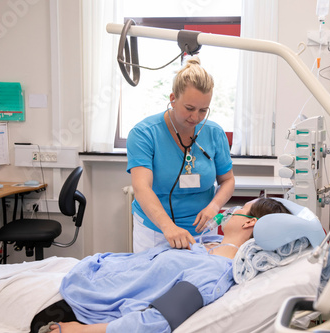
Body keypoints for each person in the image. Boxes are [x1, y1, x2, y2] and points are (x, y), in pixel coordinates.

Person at [30, 198, 291, 333]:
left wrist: (80, 331)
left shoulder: (213, 273)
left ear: (249, 223)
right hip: (88, 273)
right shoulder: (212, 241)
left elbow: (155, 322)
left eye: (241, 208)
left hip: (81, 302)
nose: (231, 210)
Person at [126, 56, 235, 253]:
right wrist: (168, 227)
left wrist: (214, 207)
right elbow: (141, 187)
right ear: (173, 99)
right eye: (189, 108)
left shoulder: (214, 133)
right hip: (156, 230)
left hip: (202, 231)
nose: (196, 117)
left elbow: (228, 180)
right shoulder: (144, 133)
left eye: (203, 110)